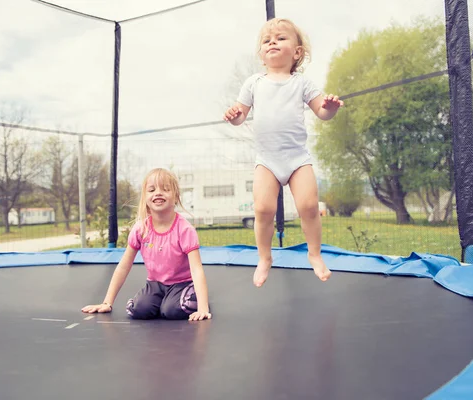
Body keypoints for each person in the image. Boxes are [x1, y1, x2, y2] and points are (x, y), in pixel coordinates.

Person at [223, 17, 344, 288]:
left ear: (297, 52)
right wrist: (233, 116)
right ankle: (264, 258)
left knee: (309, 207)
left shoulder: (301, 83)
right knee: (263, 210)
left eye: (280, 38)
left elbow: (321, 112)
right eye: (267, 40)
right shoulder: (254, 83)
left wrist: (331, 108)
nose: (272, 42)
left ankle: (314, 254)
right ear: (261, 54)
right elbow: (240, 115)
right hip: (266, 160)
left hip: (297, 158)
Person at [81, 168, 212, 321]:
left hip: (182, 284)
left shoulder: (184, 229)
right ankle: (160, 302)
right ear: (145, 198)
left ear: (176, 197)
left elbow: (196, 270)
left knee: (171, 311)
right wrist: (107, 302)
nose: (158, 193)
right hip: (155, 284)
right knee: (138, 310)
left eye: (165, 189)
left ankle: (193, 297)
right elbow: (123, 266)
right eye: (151, 190)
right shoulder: (141, 229)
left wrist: (203, 308)